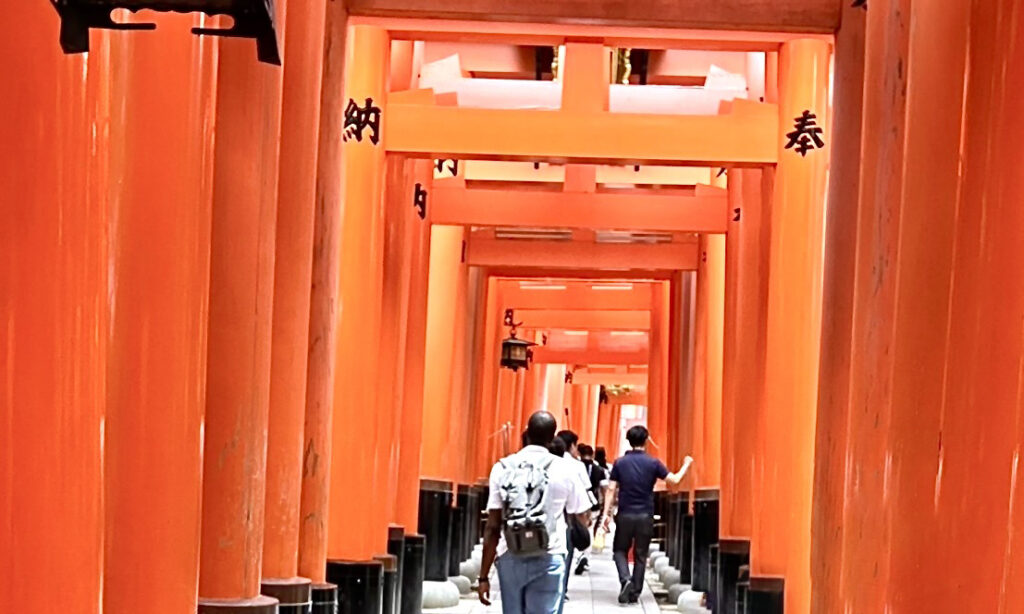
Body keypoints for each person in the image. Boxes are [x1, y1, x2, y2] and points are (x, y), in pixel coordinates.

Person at [479, 412, 592, 614]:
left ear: (527, 433)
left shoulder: (502, 467)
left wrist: (483, 576)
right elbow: (580, 513)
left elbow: (493, 525)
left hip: (510, 552)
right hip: (550, 552)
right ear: (552, 438)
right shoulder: (567, 469)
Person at [602, 425, 694, 604]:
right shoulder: (653, 463)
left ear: (629, 441)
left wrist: (605, 514)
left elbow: (611, 489)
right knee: (640, 554)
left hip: (625, 514)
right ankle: (635, 591)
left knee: (619, 550)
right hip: (645, 514)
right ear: (646, 440)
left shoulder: (620, 463)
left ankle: (625, 579)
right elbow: (674, 480)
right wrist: (686, 465)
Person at [554, 430, 596, 589]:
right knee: (566, 552)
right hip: (568, 517)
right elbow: (585, 490)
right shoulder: (576, 466)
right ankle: (561, 587)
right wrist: (585, 519)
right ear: (571, 445)